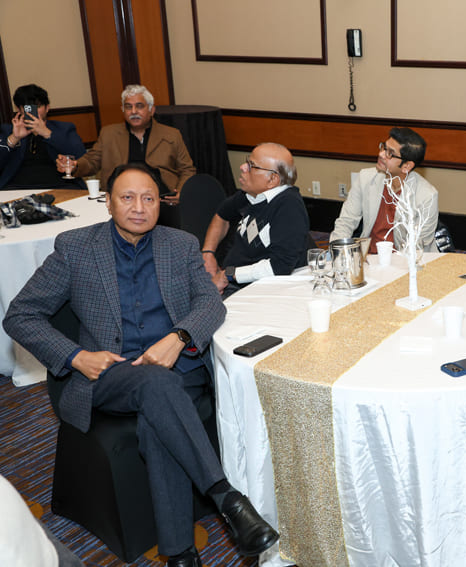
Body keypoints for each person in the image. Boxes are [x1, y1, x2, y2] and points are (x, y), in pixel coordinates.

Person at [3, 163, 279, 567]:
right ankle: (227, 498)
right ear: (109, 202)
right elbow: (20, 315)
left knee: (157, 414)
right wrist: (76, 356)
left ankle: (181, 555)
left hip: (177, 372)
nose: (139, 207)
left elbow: (210, 303)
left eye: (148, 198)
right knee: (154, 385)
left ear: (159, 204)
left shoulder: (180, 245)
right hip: (109, 374)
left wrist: (178, 338)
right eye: (127, 197)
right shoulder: (76, 247)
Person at [202, 142, 311, 294]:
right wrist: (208, 253)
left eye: (251, 166)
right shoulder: (251, 195)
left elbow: (280, 266)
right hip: (232, 280)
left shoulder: (289, 206)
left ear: (272, 179)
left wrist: (228, 275)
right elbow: (222, 215)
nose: (243, 167)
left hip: (259, 289)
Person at [57, 84, 195, 203]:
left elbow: (187, 169)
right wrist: (74, 166)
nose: (133, 111)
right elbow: (91, 161)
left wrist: (181, 192)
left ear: (151, 110)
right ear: (123, 110)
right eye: (128, 107)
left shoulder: (171, 135)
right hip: (120, 198)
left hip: (160, 198)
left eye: (139, 106)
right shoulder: (109, 134)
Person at [330, 127, 439, 254]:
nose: (381, 154)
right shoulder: (365, 178)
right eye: (384, 148)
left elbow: (417, 247)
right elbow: (345, 222)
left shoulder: (427, 196)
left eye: (390, 153)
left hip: (406, 260)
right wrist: (337, 255)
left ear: (406, 166)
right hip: (369, 258)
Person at [0, 84, 85, 189]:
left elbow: (81, 157)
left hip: (60, 186)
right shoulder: (8, 131)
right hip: (16, 187)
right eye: (28, 108)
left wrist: (47, 133)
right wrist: (14, 138)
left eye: (38, 106)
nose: (33, 112)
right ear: (19, 109)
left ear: (47, 108)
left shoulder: (64, 129)